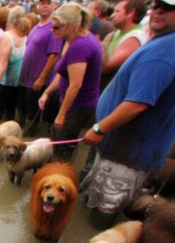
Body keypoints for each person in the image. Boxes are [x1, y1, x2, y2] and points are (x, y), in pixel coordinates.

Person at [81, 0, 175, 228]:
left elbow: (137, 104)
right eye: (156, 4)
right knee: (111, 201)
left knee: (105, 209)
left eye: (169, 6)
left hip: (126, 152)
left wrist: (100, 128)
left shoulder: (168, 49)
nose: (158, 10)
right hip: (140, 149)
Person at [38, 3, 101, 162]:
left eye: (57, 27)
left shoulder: (80, 46)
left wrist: (61, 114)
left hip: (78, 106)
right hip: (77, 104)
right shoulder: (77, 40)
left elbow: (75, 84)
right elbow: (63, 75)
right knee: (60, 140)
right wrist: (47, 92)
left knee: (61, 148)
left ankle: (60, 177)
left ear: (72, 26)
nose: (52, 30)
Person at [16, 0, 62, 136]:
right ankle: (23, 139)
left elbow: (54, 55)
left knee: (32, 114)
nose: (45, 5)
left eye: (48, 3)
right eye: (42, 3)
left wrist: (42, 77)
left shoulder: (53, 28)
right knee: (23, 110)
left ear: (54, 6)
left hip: (37, 80)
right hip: (26, 79)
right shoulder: (36, 26)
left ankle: (29, 141)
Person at [0, 6, 28, 125]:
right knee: (10, 112)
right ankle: (8, 136)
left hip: (4, 82)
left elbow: (3, 64)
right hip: (18, 83)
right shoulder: (25, 36)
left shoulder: (7, 36)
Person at [99, 0, 147, 90]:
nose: (112, 15)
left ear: (131, 13)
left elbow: (106, 66)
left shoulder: (135, 36)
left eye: (117, 11)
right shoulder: (117, 32)